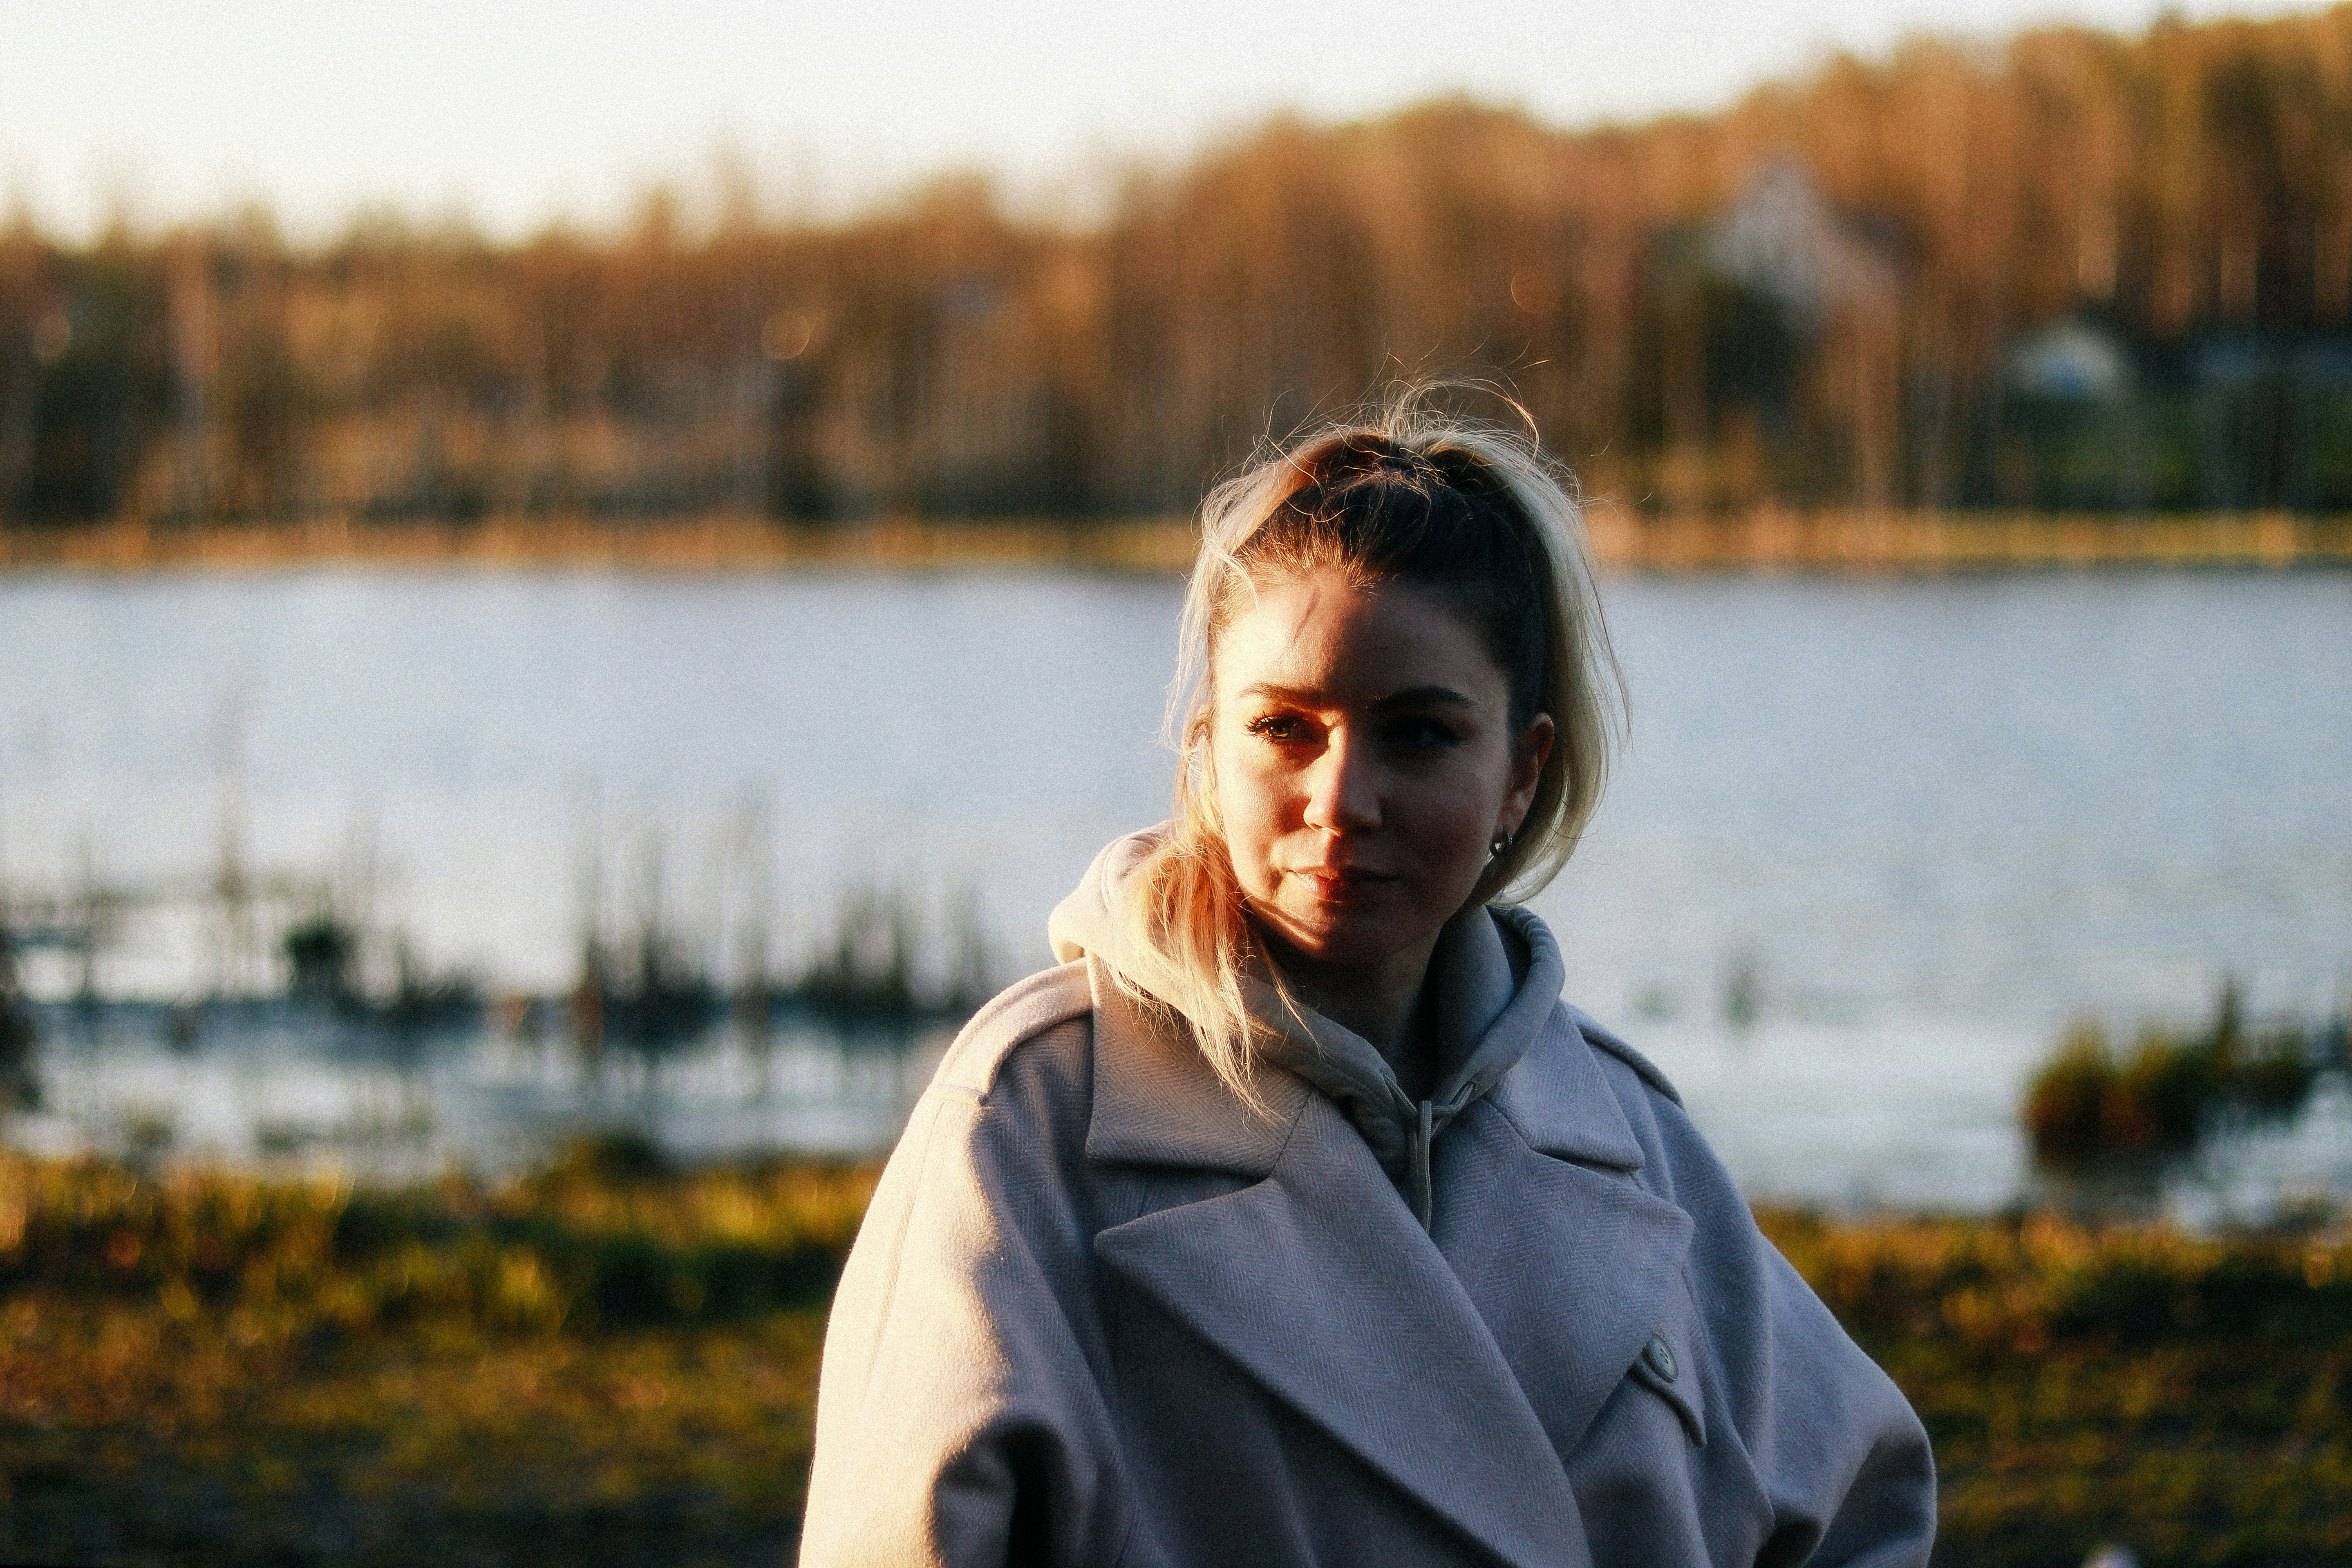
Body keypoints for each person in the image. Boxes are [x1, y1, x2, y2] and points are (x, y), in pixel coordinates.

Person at [797, 394, 1936, 1568]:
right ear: (1205, 748)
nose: (1340, 804)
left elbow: (1859, 1508)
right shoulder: (1035, 1122)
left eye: (1421, 735)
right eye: (1286, 729)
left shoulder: (1626, 1136)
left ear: (1519, 771)